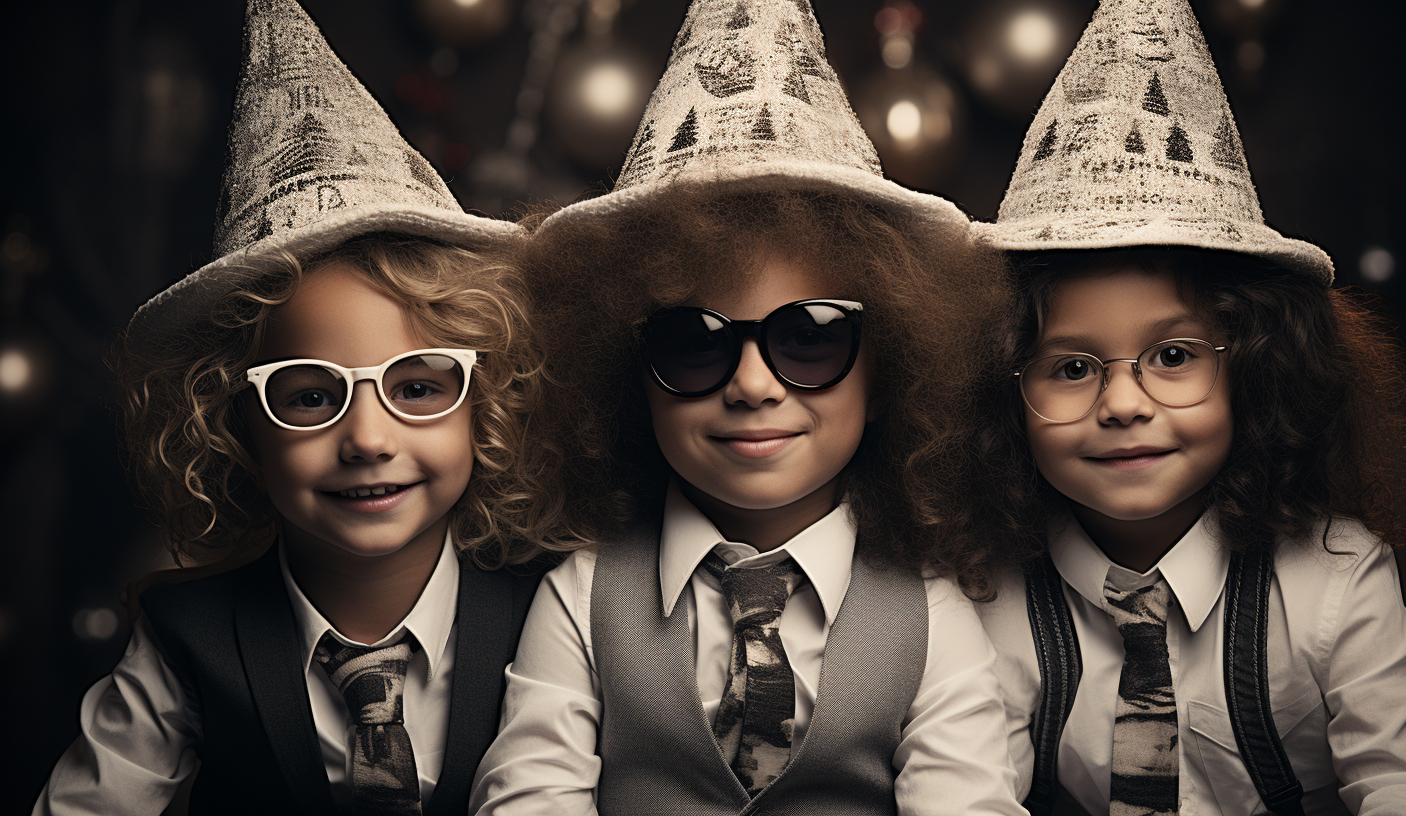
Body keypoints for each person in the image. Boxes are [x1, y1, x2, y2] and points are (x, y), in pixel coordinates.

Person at [471, 1, 1025, 814]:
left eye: (811, 339)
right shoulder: (582, 596)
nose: (755, 384)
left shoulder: (932, 614)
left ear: (890, 373)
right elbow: (528, 796)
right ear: (629, 374)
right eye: (694, 344)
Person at [33, 1, 564, 814]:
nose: (367, 439)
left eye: (418, 387)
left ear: (481, 402)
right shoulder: (187, 637)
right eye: (310, 396)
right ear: (232, 423)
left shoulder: (553, 614)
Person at [974, 1, 1406, 813]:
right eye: (1071, 367)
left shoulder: (1335, 577)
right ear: (1000, 389)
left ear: (1258, 369)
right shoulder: (992, 596)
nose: (1123, 403)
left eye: (1171, 357)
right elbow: (971, 785)